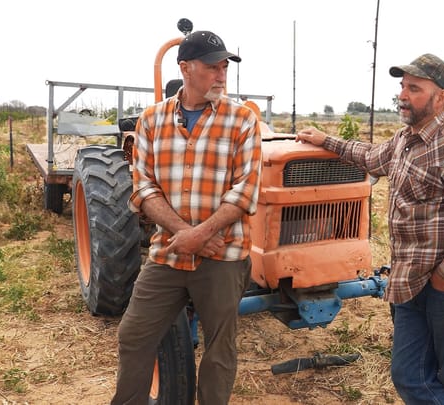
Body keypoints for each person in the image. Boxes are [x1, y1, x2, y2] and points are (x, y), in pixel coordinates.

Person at [295, 53, 444, 405]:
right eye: (403, 87)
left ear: (441, 98)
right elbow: (370, 157)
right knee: (408, 375)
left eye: (415, 88)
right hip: (410, 281)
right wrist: (325, 141)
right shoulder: (405, 140)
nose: (403, 95)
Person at [111, 30, 262, 405]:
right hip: (169, 252)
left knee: (219, 349)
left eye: (224, 67)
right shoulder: (151, 121)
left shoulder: (243, 120)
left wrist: (205, 233)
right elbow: (144, 187)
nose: (221, 75)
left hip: (223, 255)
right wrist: (187, 233)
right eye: (213, 67)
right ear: (186, 68)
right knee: (133, 334)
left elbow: (245, 191)